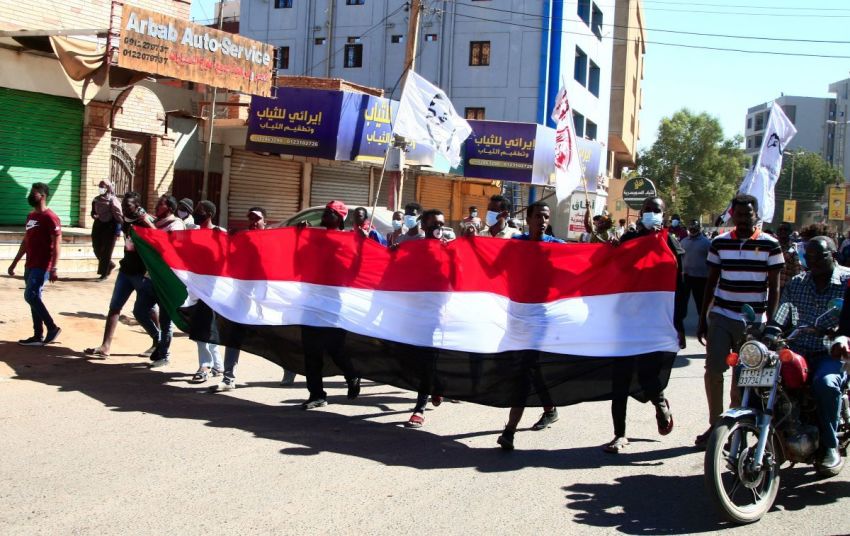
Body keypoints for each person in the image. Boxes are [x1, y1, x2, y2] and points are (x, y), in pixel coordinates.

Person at [695, 194, 783, 449]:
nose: (744, 219)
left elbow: (775, 288)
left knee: (742, 377)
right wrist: (703, 319)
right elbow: (710, 283)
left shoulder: (770, 245)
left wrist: (771, 324)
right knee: (713, 371)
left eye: (749, 214)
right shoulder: (720, 243)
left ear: (757, 215)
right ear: (733, 215)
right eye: (740, 214)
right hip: (722, 315)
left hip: (753, 322)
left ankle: (734, 426)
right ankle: (716, 424)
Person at [602, 196, 678, 453]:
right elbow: (612, 269)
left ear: (663, 215)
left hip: (654, 322)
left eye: (656, 210)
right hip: (625, 320)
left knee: (647, 375)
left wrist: (676, 323)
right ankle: (619, 434)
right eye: (647, 210)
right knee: (619, 380)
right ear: (640, 213)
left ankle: (659, 403)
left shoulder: (669, 241)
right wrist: (611, 247)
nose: (651, 214)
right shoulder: (629, 240)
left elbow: (680, 275)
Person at [776, 236, 850, 474]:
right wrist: (767, 331)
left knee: (825, 384)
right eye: (809, 257)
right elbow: (780, 318)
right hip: (798, 352)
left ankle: (830, 446)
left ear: (834, 255)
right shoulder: (797, 283)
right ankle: (772, 435)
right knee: (762, 378)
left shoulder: (847, 281)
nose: (814, 261)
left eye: (821, 256)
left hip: (832, 354)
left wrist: (842, 337)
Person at [497, 201, 564, 450]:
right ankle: (550, 408)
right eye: (538, 216)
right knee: (530, 367)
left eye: (546, 217)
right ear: (528, 219)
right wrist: (472, 242)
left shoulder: (557, 247)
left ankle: (510, 431)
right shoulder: (516, 244)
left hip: (540, 317)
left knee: (524, 370)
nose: (543, 221)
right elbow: (492, 267)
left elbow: (585, 259)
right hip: (516, 314)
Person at [299, 200, 361, 409]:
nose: (325, 215)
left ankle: (351, 375)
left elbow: (354, 270)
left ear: (340, 218)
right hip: (311, 301)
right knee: (311, 351)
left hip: (333, 302)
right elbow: (298, 261)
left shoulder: (347, 241)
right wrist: (300, 237)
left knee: (335, 348)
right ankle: (317, 394)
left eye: (330, 212)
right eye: (325, 211)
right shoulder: (313, 238)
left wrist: (360, 245)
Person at [83, 192, 160, 358]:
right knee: (115, 307)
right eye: (124, 205)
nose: (124, 209)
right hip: (126, 271)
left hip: (142, 273)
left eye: (128, 206)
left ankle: (159, 341)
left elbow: (158, 238)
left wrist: (145, 219)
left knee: (147, 310)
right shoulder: (126, 220)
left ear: (137, 206)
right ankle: (105, 346)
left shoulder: (145, 221)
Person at [405, 208, 453, 427]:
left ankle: (419, 408)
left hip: (436, 314)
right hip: (415, 313)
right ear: (423, 226)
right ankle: (438, 384)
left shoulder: (449, 249)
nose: (438, 228)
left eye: (441, 224)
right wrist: (394, 253)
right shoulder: (412, 249)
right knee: (413, 360)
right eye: (434, 225)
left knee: (427, 359)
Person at [8, 182, 62, 346]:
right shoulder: (30, 216)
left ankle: (52, 327)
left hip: (42, 265)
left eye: (34, 193)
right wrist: (14, 263)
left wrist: (54, 267)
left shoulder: (51, 217)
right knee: (34, 298)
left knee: (30, 295)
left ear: (43, 196)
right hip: (29, 265)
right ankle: (37, 335)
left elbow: (57, 243)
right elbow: (25, 241)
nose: (31, 195)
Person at [188, 201, 225, 383]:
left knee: (204, 328)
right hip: (196, 288)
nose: (196, 213)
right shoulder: (193, 232)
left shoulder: (220, 233)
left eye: (200, 211)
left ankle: (205, 365)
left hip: (212, 290)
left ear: (209, 213)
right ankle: (218, 365)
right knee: (205, 328)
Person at [147, 195, 186, 368]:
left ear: (169, 207)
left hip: (168, 277)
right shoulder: (157, 222)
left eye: (160, 204)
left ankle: (164, 354)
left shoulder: (176, 224)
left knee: (165, 317)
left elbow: (170, 245)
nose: (156, 207)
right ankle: (158, 343)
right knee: (141, 309)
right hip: (153, 275)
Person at [677, 219, 711, 331]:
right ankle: (679, 323)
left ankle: (703, 323)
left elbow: (711, 261)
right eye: (690, 228)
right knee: (682, 301)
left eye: (694, 228)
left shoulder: (706, 243)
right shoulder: (683, 242)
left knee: (700, 302)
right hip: (686, 276)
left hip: (701, 278)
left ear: (698, 228)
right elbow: (680, 258)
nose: (692, 230)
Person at [90, 179, 123, 281]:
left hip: (110, 227)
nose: (101, 188)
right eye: (100, 186)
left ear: (108, 188)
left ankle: (104, 274)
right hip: (98, 225)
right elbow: (92, 212)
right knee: (96, 248)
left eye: (103, 186)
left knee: (106, 251)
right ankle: (110, 264)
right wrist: (94, 215)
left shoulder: (113, 200)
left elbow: (118, 216)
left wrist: (118, 231)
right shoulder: (96, 200)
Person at [777, 222, 802, 290]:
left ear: (790, 232)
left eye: (785, 230)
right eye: (780, 229)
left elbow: (798, 270)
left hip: (786, 288)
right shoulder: (772, 246)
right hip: (771, 286)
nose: (783, 232)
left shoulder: (794, 248)